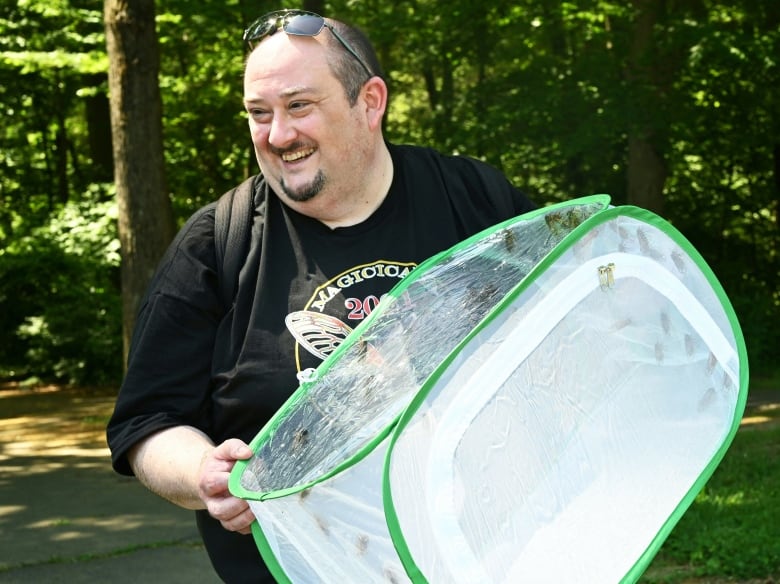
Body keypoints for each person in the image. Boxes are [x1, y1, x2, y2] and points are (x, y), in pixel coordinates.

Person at [106, 8, 537, 583]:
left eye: (300, 106)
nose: (278, 135)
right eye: (259, 114)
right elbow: (149, 422)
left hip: (488, 561)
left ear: (371, 102)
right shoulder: (218, 243)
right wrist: (204, 472)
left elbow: (572, 334)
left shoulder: (477, 202)